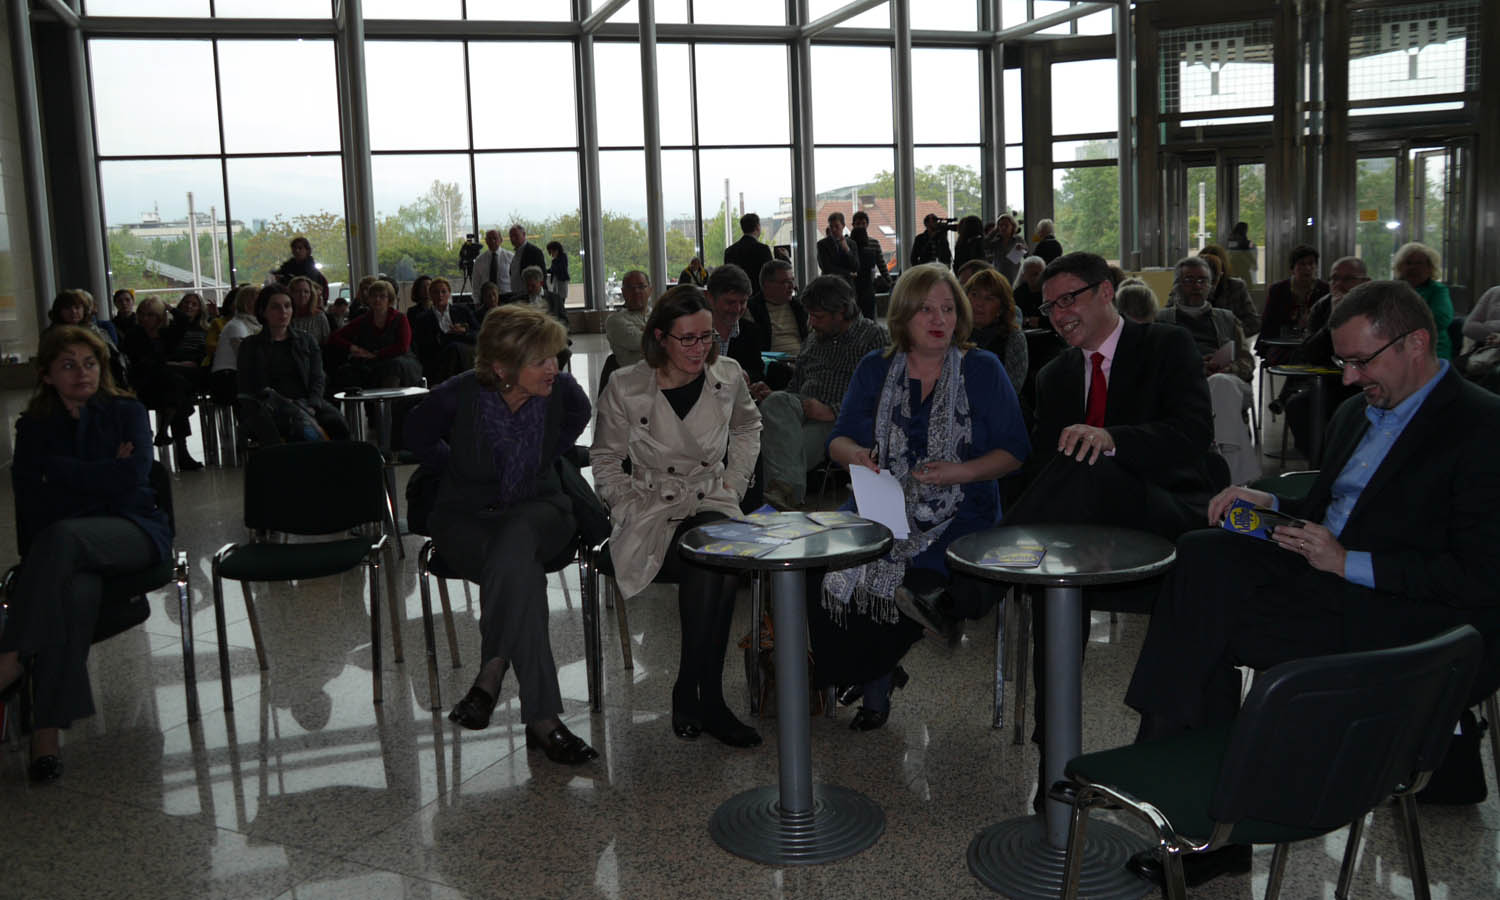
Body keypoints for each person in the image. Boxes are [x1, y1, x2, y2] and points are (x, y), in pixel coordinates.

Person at [1126, 279, 1500, 832]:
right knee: (1202, 554)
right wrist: (1272, 502)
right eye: (1343, 362)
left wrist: (1347, 562)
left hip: (1419, 616)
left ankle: (1178, 793)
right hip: (1331, 582)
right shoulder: (1357, 413)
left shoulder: (1482, 427)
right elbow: (1337, 506)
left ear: (1416, 344)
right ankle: (1186, 793)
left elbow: (1482, 577)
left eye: (1361, 361)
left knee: (1204, 627)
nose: (1348, 378)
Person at [809, 264, 1029, 730]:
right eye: (926, 309)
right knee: (827, 571)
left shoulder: (982, 369)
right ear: (903, 314)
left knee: (907, 581)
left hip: (962, 512)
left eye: (948, 309)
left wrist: (959, 471)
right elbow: (838, 440)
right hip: (880, 502)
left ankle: (872, 682)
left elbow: (1015, 452)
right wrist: (858, 456)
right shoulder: (875, 367)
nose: (939, 319)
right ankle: (869, 670)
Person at [404, 305, 598, 765]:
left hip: (540, 509)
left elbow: (579, 415)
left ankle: (491, 673)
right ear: (502, 367)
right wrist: (455, 466)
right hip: (466, 519)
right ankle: (541, 719)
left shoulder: (562, 391)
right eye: (540, 360)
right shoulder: (459, 395)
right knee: (520, 574)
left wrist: (542, 456)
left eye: (554, 357)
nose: (553, 368)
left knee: (518, 534)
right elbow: (413, 435)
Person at [591, 285, 763, 748]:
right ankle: (704, 696)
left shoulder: (728, 375)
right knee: (714, 560)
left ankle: (694, 690)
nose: (698, 348)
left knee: (712, 550)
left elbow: (749, 426)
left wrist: (735, 484)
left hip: (712, 500)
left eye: (706, 337)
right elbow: (604, 458)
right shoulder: (626, 385)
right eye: (686, 338)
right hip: (651, 512)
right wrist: (625, 504)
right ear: (659, 337)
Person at [0, 327, 173, 782]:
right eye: (69, 365)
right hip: (66, 548)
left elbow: (133, 478)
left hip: (133, 530)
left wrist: (62, 474)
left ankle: (11, 657)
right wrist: (106, 470)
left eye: (90, 363)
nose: (82, 373)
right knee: (74, 595)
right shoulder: (33, 427)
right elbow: (32, 503)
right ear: (47, 376)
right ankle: (45, 737)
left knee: (64, 536)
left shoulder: (127, 411)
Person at [754, 275, 888, 509]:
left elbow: (882, 394)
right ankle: (785, 498)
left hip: (838, 421)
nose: (811, 323)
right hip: (799, 408)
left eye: (818, 316)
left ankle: (784, 498)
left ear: (841, 312)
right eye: (810, 315)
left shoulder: (873, 338)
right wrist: (775, 394)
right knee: (775, 403)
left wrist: (831, 410)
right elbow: (794, 386)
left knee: (773, 451)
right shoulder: (814, 339)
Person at [1156, 257, 1258, 484]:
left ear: (1211, 286)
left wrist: (1228, 367)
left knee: (1221, 383)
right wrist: (1192, 369)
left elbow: (1247, 362)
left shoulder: (1227, 319)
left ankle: (1225, 475)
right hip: (1184, 387)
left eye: (1202, 281)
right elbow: (1155, 365)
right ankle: (1235, 479)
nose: (1196, 286)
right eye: (1189, 280)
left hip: (1229, 380)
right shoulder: (1161, 321)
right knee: (1217, 389)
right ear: (1177, 285)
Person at [236, 285, 350, 442]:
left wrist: (312, 405)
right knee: (296, 427)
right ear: (263, 311)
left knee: (337, 424)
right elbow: (248, 385)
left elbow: (318, 377)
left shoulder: (307, 340)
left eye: (287, 306)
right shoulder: (250, 345)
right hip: (270, 406)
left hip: (307, 402)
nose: (283, 312)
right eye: (275, 307)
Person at [122, 296, 203, 470]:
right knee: (178, 387)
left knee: (176, 390)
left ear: (159, 317)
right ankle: (178, 448)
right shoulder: (134, 334)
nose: (145, 318)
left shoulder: (166, 333)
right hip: (144, 384)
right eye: (142, 314)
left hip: (165, 387)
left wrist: (169, 307)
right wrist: (170, 365)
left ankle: (167, 433)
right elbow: (140, 363)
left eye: (151, 315)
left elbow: (184, 320)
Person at [329, 279, 423, 390]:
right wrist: (352, 347)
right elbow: (335, 337)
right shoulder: (364, 320)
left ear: (389, 299)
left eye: (382, 296)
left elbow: (402, 347)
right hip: (372, 362)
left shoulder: (400, 318)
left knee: (392, 367)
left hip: (400, 360)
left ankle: (387, 401)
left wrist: (376, 354)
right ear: (369, 299)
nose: (377, 299)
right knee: (346, 371)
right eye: (374, 296)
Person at [1256, 244, 1328, 363]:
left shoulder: (1325, 290)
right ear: (1292, 268)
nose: (1308, 268)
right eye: (1302, 264)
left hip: (1315, 343)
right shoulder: (1278, 290)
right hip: (1282, 343)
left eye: (1311, 264)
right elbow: (1269, 322)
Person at [962, 267, 1028, 393]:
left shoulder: (1013, 338)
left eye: (989, 298)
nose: (979, 303)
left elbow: (1011, 389)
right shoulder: (954, 333)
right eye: (974, 295)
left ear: (1001, 309)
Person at [411, 275, 480, 385]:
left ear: (449, 294)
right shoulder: (423, 319)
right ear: (430, 295)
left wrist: (464, 332)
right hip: (439, 359)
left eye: (443, 292)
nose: (440, 295)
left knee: (455, 348)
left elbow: (478, 335)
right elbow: (423, 347)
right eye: (436, 292)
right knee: (452, 350)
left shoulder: (462, 311)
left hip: (464, 354)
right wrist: (448, 336)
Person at [1394, 241, 1453, 360]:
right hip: (1395, 346)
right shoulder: (1392, 289)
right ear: (1400, 266)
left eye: (1419, 263)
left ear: (1430, 267)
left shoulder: (1438, 290)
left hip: (1431, 348)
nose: (1413, 267)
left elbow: (1441, 319)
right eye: (1408, 263)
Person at [706, 263, 765, 382]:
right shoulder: (697, 332)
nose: (737, 309)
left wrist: (747, 375)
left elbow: (757, 371)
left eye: (743, 302)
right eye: (730, 302)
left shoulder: (751, 332)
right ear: (710, 298)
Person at [210, 285, 261, 406]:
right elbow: (244, 358)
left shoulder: (253, 324)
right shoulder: (236, 325)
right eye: (258, 300)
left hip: (237, 376)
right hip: (228, 379)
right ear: (247, 304)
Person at [1195, 245, 1259, 337]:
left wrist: (1231, 332)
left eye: (1214, 268)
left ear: (1221, 271)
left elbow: (1254, 323)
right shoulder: (1190, 287)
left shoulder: (1235, 286)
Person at [605, 270, 651, 366]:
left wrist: (648, 332)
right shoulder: (615, 321)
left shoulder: (659, 314)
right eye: (630, 288)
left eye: (641, 287)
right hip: (635, 374)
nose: (636, 291)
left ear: (650, 290)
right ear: (623, 292)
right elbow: (642, 342)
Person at [849, 223, 889, 321]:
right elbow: (873, 271)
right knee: (869, 319)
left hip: (852, 290)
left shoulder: (849, 255)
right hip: (867, 289)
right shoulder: (870, 254)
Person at [723, 212, 772, 283]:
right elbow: (770, 275)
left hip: (737, 289)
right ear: (757, 227)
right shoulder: (763, 249)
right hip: (757, 289)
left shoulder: (729, 251)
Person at [983, 213, 1028, 285]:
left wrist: (1022, 248)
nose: (1003, 227)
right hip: (998, 276)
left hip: (1014, 276)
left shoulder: (1018, 239)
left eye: (1006, 225)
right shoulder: (996, 241)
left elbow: (1027, 254)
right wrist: (994, 231)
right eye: (1001, 225)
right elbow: (984, 245)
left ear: (1012, 226)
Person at [816, 211, 860, 283]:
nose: (833, 229)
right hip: (829, 284)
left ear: (843, 226)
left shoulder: (851, 244)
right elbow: (827, 268)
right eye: (831, 226)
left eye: (837, 226)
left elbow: (856, 266)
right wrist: (848, 273)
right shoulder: (822, 244)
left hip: (847, 285)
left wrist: (847, 249)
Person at [288, 275, 330, 346]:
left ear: (311, 294)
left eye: (306, 292)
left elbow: (327, 342)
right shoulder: (286, 316)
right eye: (298, 291)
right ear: (291, 293)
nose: (302, 295)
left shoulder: (319, 317)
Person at [508, 225, 547, 299]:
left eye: (516, 235)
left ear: (524, 234)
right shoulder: (516, 254)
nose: (513, 239)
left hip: (531, 296)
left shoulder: (534, 252)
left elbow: (542, 276)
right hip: (517, 295)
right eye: (511, 236)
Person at [473, 229, 514, 295]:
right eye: (489, 239)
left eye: (495, 238)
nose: (492, 241)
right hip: (487, 297)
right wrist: (476, 299)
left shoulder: (510, 257)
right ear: (486, 241)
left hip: (507, 295)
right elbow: (476, 283)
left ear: (501, 240)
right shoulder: (479, 260)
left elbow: (516, 279)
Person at [1012, 256, 1047, 326]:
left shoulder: (1050, 291)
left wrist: (1040, 321)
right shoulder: (1018, 293)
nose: (1035, 278)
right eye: (1030, 274)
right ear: (1024, 275)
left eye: (1037, 274)